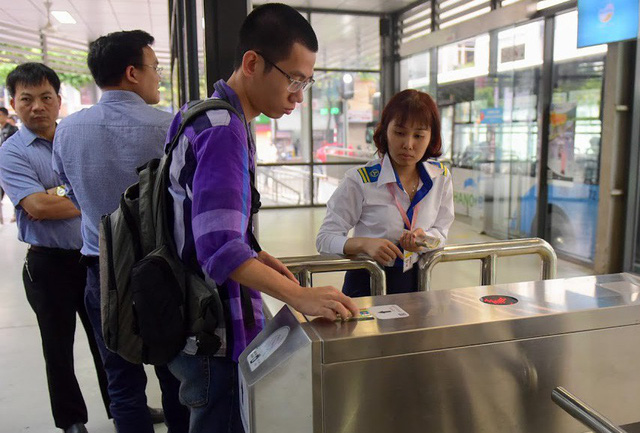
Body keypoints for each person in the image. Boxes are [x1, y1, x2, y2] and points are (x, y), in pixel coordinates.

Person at [164, 4, 359, 432]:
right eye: (293, 79)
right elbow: (217, 250)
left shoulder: (198, 113)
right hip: (214, 333)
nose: (298, 95)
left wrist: (260, 256)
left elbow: (201, 225)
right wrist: (299, 296)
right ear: (252, 63)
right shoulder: (223, 129)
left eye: (306, 82)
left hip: (188, 319)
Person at [52, 31, 189, 433]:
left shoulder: (68, 130)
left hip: (102, 271)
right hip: (163, 271)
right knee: (174, 374)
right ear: (132, 72)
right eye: (154, 68)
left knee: (122, 382)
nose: (158, 77)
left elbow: (71, 191)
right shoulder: (171, 127)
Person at [0, 63, 111, 433]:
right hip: (47, 265)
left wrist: (57, 190)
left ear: (58, 101)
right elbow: (37, 207)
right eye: (26, 99)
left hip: (92, 258)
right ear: (13, 103)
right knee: (58, 348)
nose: (37, 107)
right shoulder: (11, 152)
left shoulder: (76, 137)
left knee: (107, 340)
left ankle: (124, 406)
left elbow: (98, 185)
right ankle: (72, 421)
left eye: (45, 97)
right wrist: (79, 191)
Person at [316, 89, 455, 297]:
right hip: (366, 281)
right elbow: (325, 239)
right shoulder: (360, 180)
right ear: (385, 131)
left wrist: (424, 239)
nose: (408, 144)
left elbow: (441, 234)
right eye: (399, 133)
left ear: (431, 138)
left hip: (416, 281)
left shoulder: (440, 177)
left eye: (418, 135)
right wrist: (364, 244)